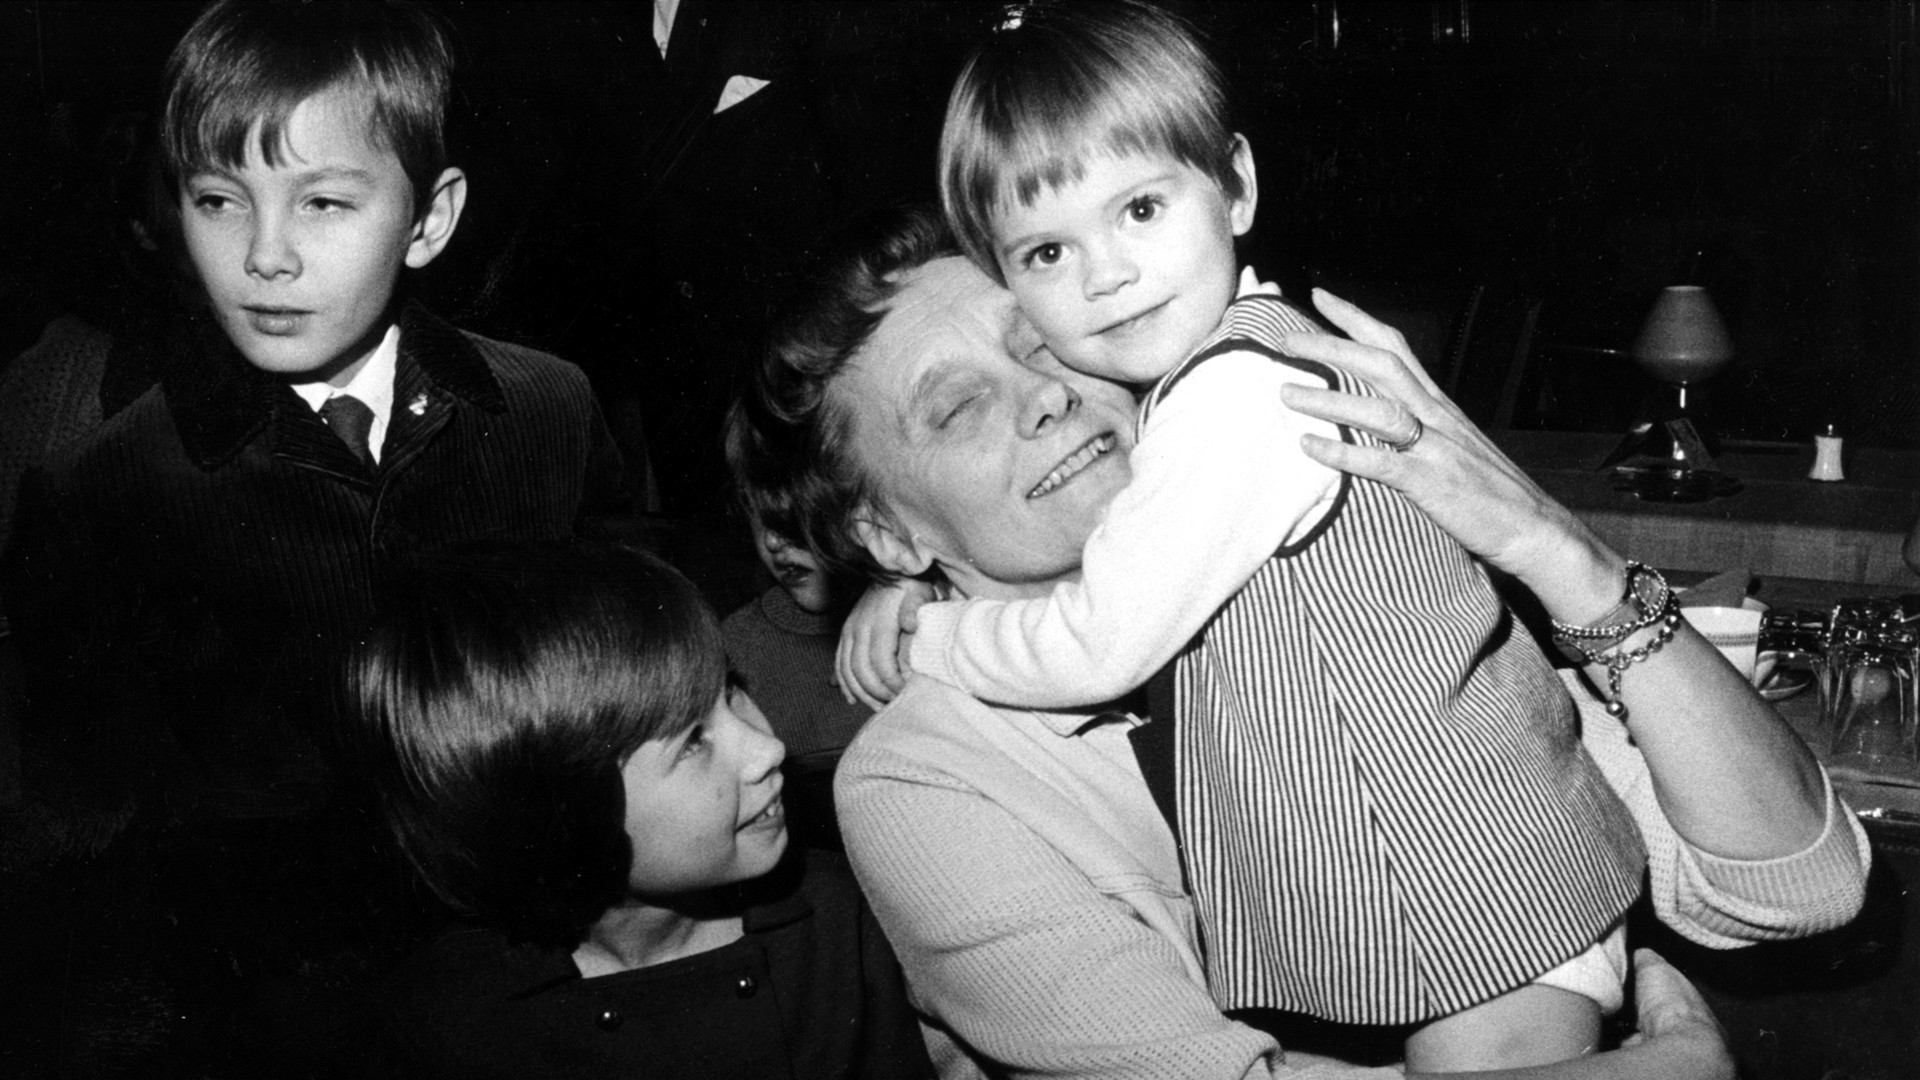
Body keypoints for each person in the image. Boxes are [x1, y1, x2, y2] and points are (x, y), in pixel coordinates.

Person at [731, 205, 1868, 1079]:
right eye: (957, 408)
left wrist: (1556, 549)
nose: (1042, 398)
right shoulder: (923, 780)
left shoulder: (1322, 595)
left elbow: (1794, 886)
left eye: (1042, 346)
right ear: (889, 533)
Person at [845, 4, 1634, 1068]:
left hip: (1471, 882)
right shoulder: (1215, 383)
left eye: (1140, 209)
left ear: (1237, 186)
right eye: (1047, 250)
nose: (1106, 275)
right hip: (1450, 876)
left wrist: (931, 636)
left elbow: (1099, 642)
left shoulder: (1237, 401)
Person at [0, 2, 625, 1072]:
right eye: (217, 200)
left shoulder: (547, 409)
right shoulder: (106, 491)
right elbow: (85, 825)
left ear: (429, 220)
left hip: (549, 957)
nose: (265, 256)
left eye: (324, 202)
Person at [347, 542, 932, 1079]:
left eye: (732, 691)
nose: (768, 748)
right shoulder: (449, 1020)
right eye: (693, 741)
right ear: (558, 816)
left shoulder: (843, 919)